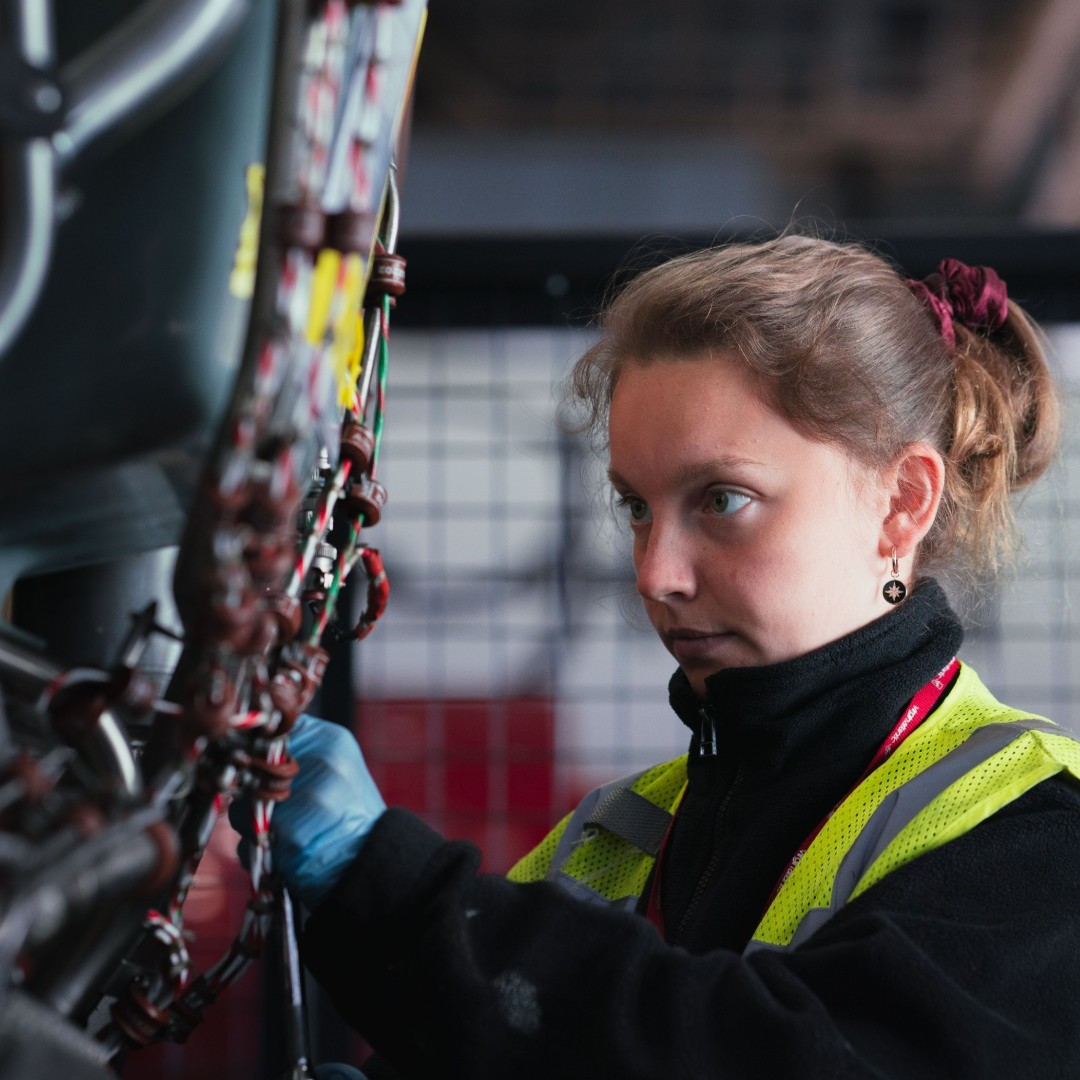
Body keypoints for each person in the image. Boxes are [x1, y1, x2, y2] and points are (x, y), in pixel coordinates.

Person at [235, 236, 1080, 1078]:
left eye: (723, 500)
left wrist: (387, 889)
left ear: (902, 504)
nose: (655, 573)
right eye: (637, 507)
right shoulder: (615, 839)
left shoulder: (1038, 836)